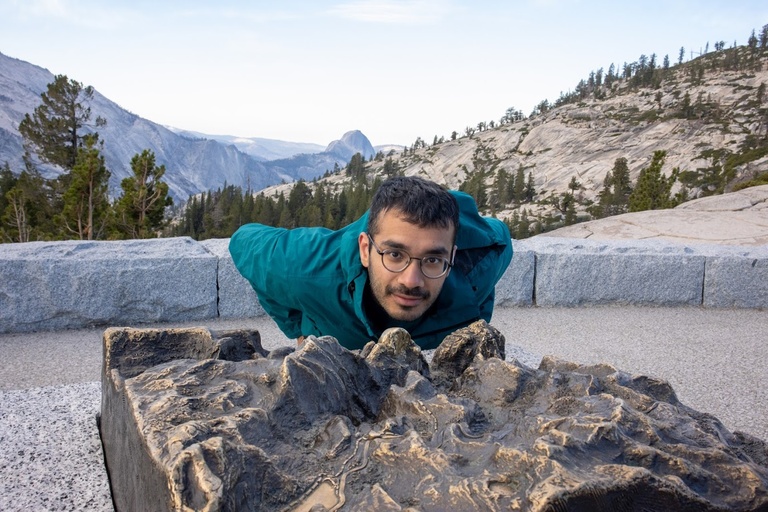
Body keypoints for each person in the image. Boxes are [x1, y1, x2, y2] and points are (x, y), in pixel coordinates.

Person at [229, 176, 513, 350]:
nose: (411, 281)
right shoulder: (305, 268)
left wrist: (477, 321)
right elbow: (244, 240)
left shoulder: (484, 259)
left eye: (432, 259)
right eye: (394, 255)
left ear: (451, 257)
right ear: (365, 250)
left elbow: (501, 237)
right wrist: (298, 330)